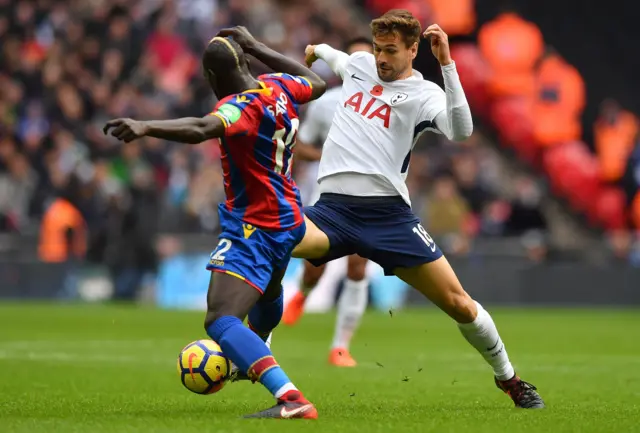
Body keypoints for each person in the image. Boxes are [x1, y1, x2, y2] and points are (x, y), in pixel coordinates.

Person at [238, 9, 545, 409]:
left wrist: (447, 64)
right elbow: (338, 57)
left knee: (459, 304)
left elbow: (462, 130)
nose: (381, 58)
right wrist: (317, 50)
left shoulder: (426, 95)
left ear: (414, 50)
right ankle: (259, 347)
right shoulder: (361, 66)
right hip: (332, 210)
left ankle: (510, 379)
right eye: (378, 48)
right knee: (272, 241)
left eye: (391, 50)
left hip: (389, 218)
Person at [104, 32, 327, 419]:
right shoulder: (278, 86)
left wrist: (145, 127)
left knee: (220, 318)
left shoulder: (239, 108)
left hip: (255, 226)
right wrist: (256, 47)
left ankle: (290, 398)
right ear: (245, 64)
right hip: (290, 218)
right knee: (268, 290)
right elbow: (318, 82)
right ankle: (252, 355)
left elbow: (200, 129)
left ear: (211, 75)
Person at [282, 36, 374, 368]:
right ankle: (303, 293)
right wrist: (329, 154)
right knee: (316, 266)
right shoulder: (327, 103)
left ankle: (340, 347)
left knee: (358, 265)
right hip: (330, 193)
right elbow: (300, 146)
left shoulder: (388, 102)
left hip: (370, 196)